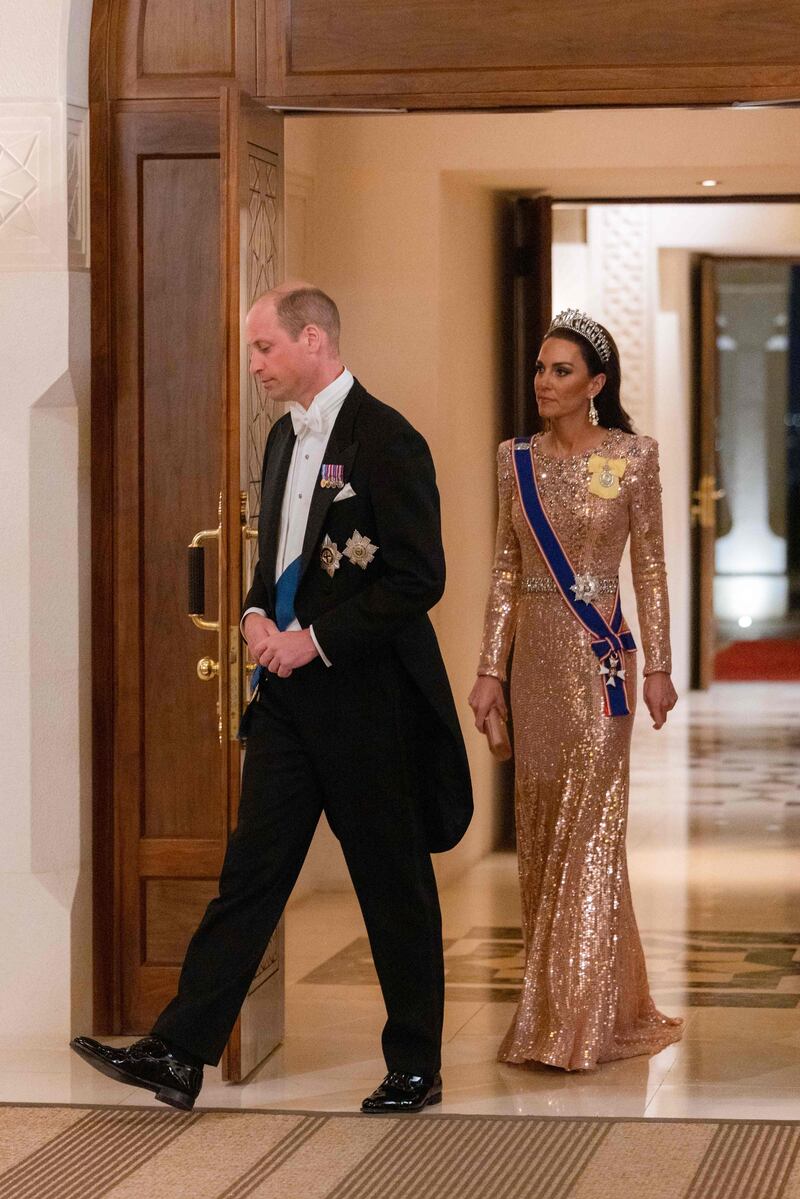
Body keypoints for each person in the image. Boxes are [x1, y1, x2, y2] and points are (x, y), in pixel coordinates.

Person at [72, 284, 473, 1113]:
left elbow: (418, 579)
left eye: (263, 347)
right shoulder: (283, 439)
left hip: (369, 703)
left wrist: (316, 640)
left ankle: (415, 1068)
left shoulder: (389, 440)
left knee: (389, 883)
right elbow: (275, 556)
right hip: (289, 703)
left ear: (313, 340)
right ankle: (180, 1051)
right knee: (250, 874)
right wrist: (256, 614)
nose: (253, 364)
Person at [468, 309, 683, 1072]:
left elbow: (650, 568)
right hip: (534, 670)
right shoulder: (513, 460)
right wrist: (490, 668)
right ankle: (599, 1003)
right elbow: (501, 571)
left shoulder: (632, 457)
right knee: (542, 834)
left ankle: (568, 1028)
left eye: (562, 371)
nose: (545, 383)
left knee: (589, 838)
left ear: (595, 384)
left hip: (602, 666)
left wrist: (658, 664)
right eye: (539, 369)